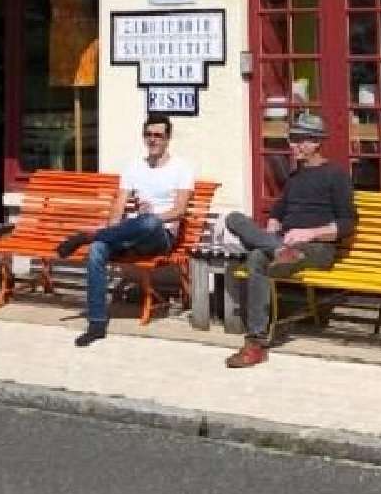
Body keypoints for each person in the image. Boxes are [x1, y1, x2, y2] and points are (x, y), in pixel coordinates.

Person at [223, 108, 355, 369]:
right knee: (233, 218)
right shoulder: (295, 177)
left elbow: (347, 223)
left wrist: (310, 233)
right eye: (292, 139)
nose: (292, 145)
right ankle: (278, 248)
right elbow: (277, 212)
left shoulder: (336, 176)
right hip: (287, 244)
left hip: (317, 248)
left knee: (256, 258)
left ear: (315, 142)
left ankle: (256, 343)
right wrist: (272, 229)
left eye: (298, 140)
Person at [56, 114, 192, 347]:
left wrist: (152, 217)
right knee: (98, 250)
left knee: (149, 222)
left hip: (160, 236)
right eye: (148, 135)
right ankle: (97, 323)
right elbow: (118, 206)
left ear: (168, 138)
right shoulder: (133, 167)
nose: (153, 140)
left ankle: (88, 236)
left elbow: (179, 210)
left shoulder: (182, 168)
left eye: (158, 135)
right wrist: (113, 233)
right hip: (130, 234)